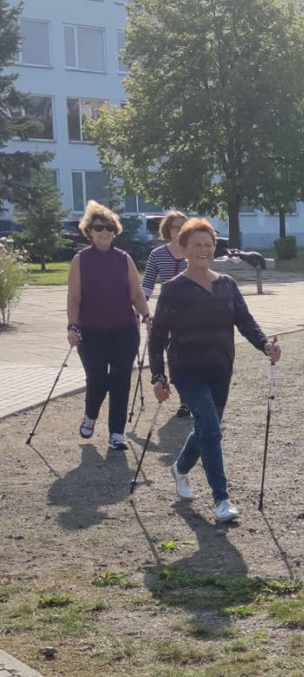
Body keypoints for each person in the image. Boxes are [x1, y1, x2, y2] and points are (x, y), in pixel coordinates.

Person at [147, 218, 282, 523]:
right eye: (196, 244)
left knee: (206, 429)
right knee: (210, 428)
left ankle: (180, 468)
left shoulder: (226, 285)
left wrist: (265, 345)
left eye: (208, 245)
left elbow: (245, 321)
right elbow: (157, 338)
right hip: (186, 370)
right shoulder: (173, 289)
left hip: (220, 368)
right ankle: (221, 499)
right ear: (184, 249)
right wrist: (158, 376)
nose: (203, 250)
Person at [65, 200, 152, 451]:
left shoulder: (124, 259)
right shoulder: (81, 260)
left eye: (109, 228)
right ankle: (90, 415)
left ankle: (116, 433)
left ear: (116, 232)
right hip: (91, 332)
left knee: (121, 381)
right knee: (97, 380)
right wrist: (72, 326)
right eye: (99, 227)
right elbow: (74, 298)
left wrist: (147, 316)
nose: (104, 232)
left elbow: (136, 294)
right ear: (89, 231)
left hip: (124, 331)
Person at [141, 211, 191, 418]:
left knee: (188, 356)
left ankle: (186, 400)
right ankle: (166, 383)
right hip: (167, 312)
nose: (180, 231)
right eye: (175, 227)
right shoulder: (158, 254)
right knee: (170, 354)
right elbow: (147, 285)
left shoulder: (194, 251)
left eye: (183, 227)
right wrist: (143, 312)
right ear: (168, 230)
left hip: (191, 312)